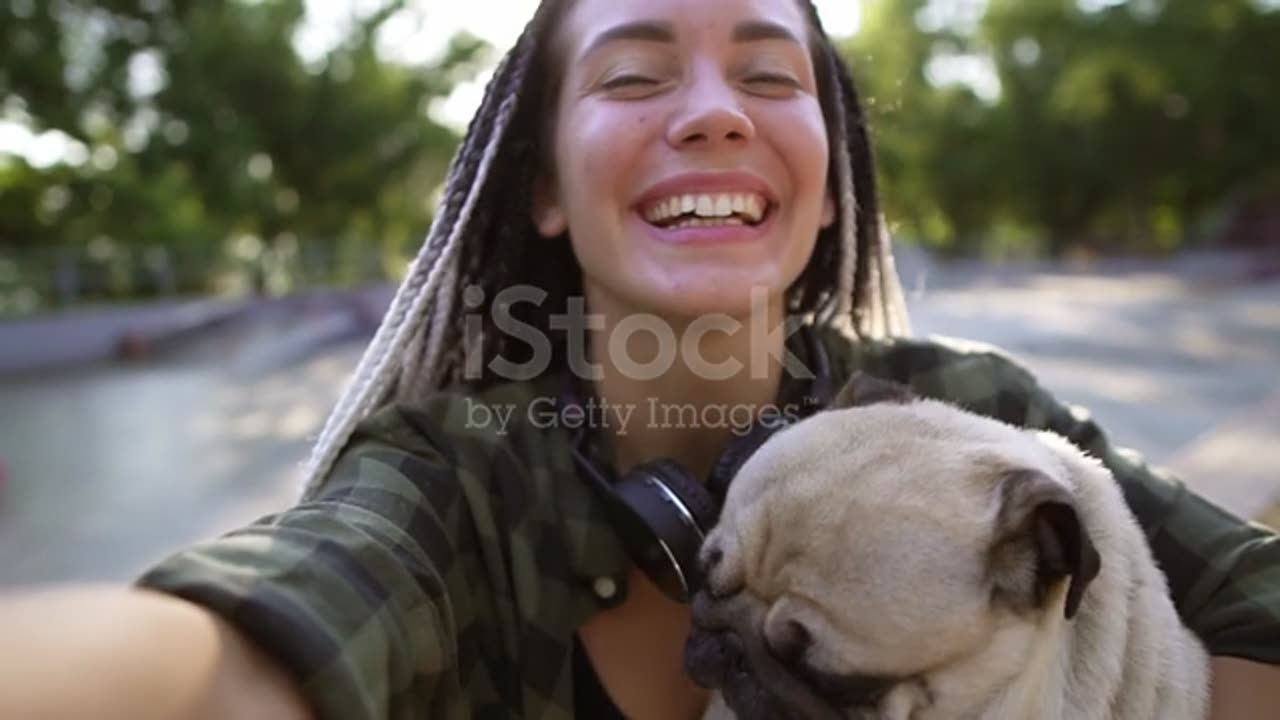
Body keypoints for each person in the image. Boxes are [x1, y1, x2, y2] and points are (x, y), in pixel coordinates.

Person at [2, 0, 1279, 718]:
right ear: (546, 189)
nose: (713, 107)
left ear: (828, 181)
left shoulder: (974, 425)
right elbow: (239, 653)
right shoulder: (459, 478)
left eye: (769, 76)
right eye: (633, 75)